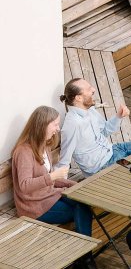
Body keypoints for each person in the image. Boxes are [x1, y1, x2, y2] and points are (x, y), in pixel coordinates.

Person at [11, 106, 97, 269]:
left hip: (49, 197)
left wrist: (74, 184)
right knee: (81, 210)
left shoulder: (44, 146)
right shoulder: (24, 152)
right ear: (42, 125)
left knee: (84, 202)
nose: (58, 128)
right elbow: (24, 186)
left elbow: (51, 180)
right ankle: (85, 259)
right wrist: (52, 176)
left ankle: (83, 258)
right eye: (55, 124)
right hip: (33, 207)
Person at [56, 78, 131, 177]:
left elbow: (105, 130)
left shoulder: (90, 110)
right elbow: (65, 159)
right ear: (79, 98)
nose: (93, 89)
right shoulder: (72, 123)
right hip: (103, 166)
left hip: (115, 150)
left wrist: (119, 116)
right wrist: (62, 184)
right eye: (89, 89)